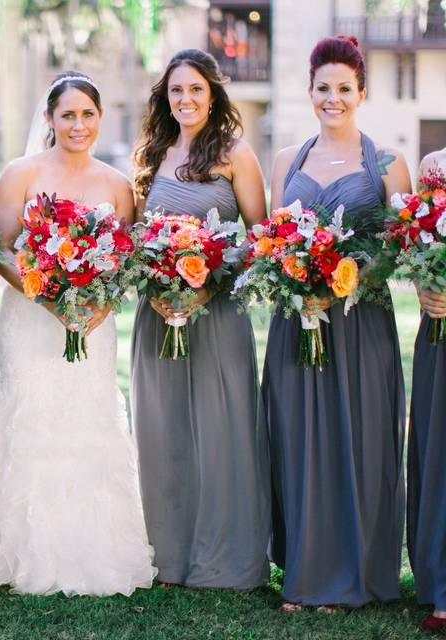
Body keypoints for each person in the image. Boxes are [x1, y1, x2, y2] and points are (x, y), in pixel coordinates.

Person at [0, 71, 157, 596]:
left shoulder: (117, 184)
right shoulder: (21, 173)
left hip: (91, 324)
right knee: (29, 414)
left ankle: (90, 550)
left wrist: (99, 302)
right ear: (50, 120)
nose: (78, 124)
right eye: (68, 115)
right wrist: (45, 293)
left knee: (87, 414)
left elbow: (124, 260)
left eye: (88, 115)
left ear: (100, 119)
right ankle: (12, 552)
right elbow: (1, 248)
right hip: (31, 316)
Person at [264, 34, 411, 612]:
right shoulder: (287, 161)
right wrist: (298, 285)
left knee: (360, 440)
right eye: (323, 88)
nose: (333, 99)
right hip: (296, 321)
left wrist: (346, 283)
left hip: (359, 326)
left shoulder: (388, 163)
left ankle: (354, 571)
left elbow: (399, 249)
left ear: (362, 92)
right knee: (300, 441)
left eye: (344, 89)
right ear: (310, 91)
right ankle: (306, 569)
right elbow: (272, 240)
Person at [130, 49, 270, 589]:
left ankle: (225, 560)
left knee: (222, 428)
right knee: (163, 430)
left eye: (195, 89)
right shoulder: (153, 153)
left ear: (213, 93)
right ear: (165, 99)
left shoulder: (236, 153)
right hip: (160, 314)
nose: (185, 100)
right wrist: (159, 286)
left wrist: (207, 282)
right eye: (175, 91)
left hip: (217, 315)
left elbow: (261, 239)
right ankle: (167, 555)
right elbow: (138, 240)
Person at [407, 146, 446, 633]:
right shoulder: (434, 165)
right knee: (439, 448)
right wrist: (426, 286)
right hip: (439, 329)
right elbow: (417, 245)